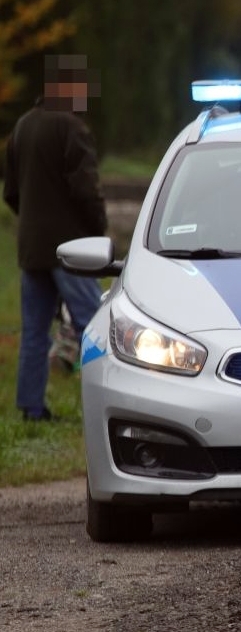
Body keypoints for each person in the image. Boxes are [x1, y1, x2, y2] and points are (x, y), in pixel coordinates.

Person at [3, 54, 107, 421]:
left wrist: (32, 223)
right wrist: (98, 233)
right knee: (95, 328)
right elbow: (85, 190)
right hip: (71, 249)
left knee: (34, 333)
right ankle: (109, 406)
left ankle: (31, 409)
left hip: (32, 248)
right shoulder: (72, 128)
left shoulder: (22, 127)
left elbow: (10, 192)